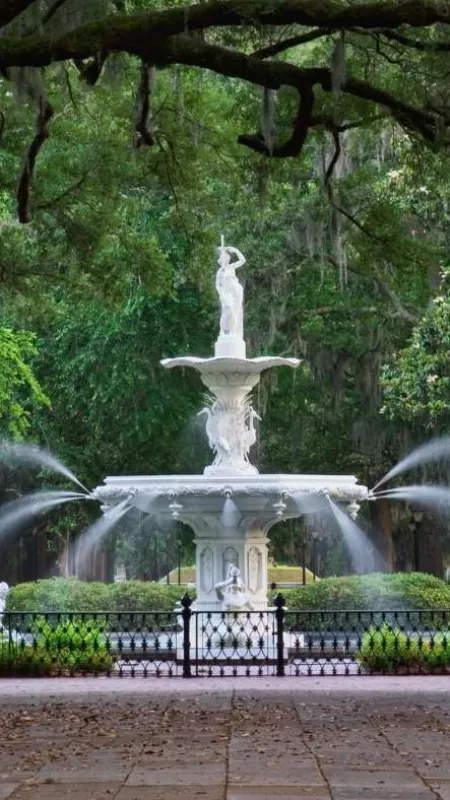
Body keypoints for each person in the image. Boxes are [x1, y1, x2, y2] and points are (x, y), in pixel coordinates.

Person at [216, 241, 246, 339]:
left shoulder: (231, 267)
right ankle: (222, 331)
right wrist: (221, 294)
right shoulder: (220, 271)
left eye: (227, 258)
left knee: (236, 312)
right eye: (224, 257)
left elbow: (242, 260)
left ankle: (232, 331)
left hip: (236, 292)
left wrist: (235, 250)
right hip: (227, 293)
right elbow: (217, 285)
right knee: (227, 311)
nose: (226, 259)